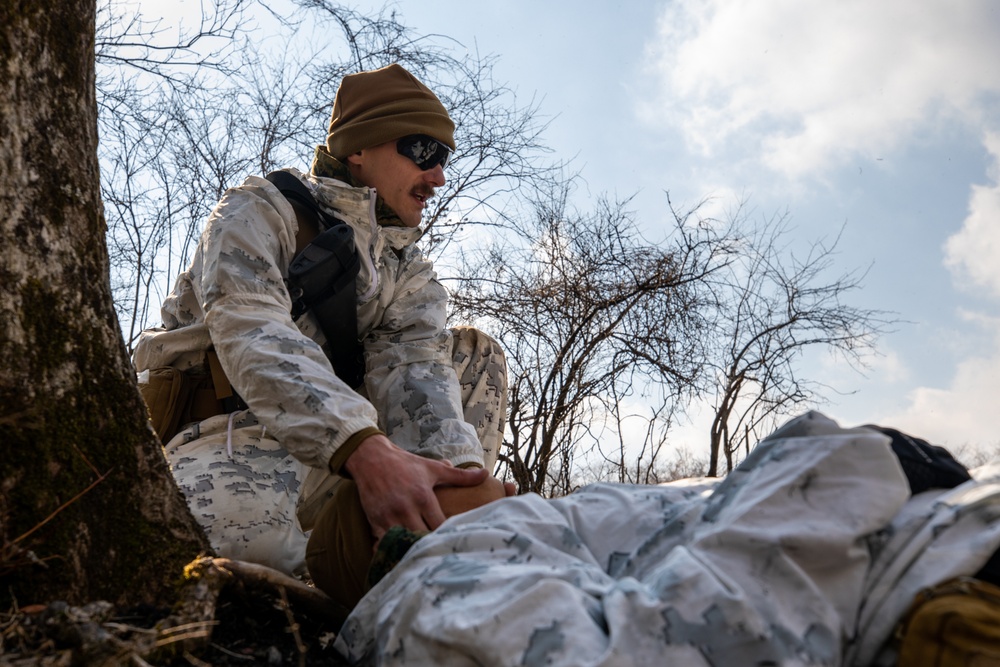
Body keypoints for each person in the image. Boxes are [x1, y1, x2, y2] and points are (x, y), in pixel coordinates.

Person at [133, 64, 508, 583]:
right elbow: (251, 331)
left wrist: (458, 481)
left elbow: (416, 373)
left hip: (348, 458)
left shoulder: (409, 274)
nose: (438, 176)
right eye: (423, 152)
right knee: (227, 561)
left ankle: (407, 544)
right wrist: (364, 450)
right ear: (358, 149)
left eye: (444, 158)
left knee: (473, 353)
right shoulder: (261, 211)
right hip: (226, 438)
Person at [334, 411, 1000, 666]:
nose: (474, 469)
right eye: (439, 476)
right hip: (939, 563)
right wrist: (841, 465)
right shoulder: (439, 582)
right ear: (403, 526)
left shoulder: (542, 531)